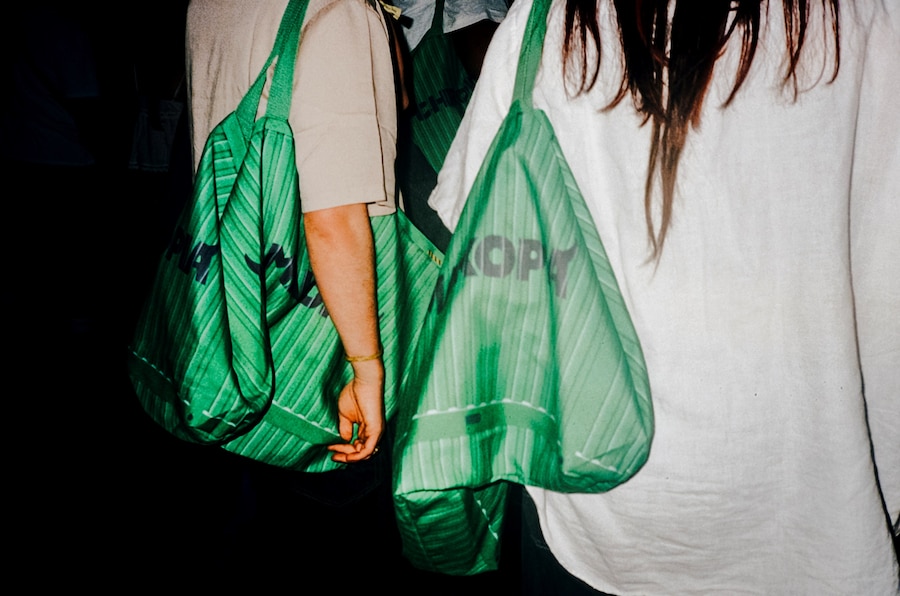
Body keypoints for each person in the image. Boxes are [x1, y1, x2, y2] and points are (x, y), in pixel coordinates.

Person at [429, 0, 900, 593]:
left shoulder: (548, 20)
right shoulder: (866, 20)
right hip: (817, 496)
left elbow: (479, 227)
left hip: (601, 494)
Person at [187, 0, 398, 462]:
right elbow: (332, 219)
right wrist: (367, 369)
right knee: (339, 484)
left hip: (233, 307)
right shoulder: (337, 10)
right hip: (318, 329)